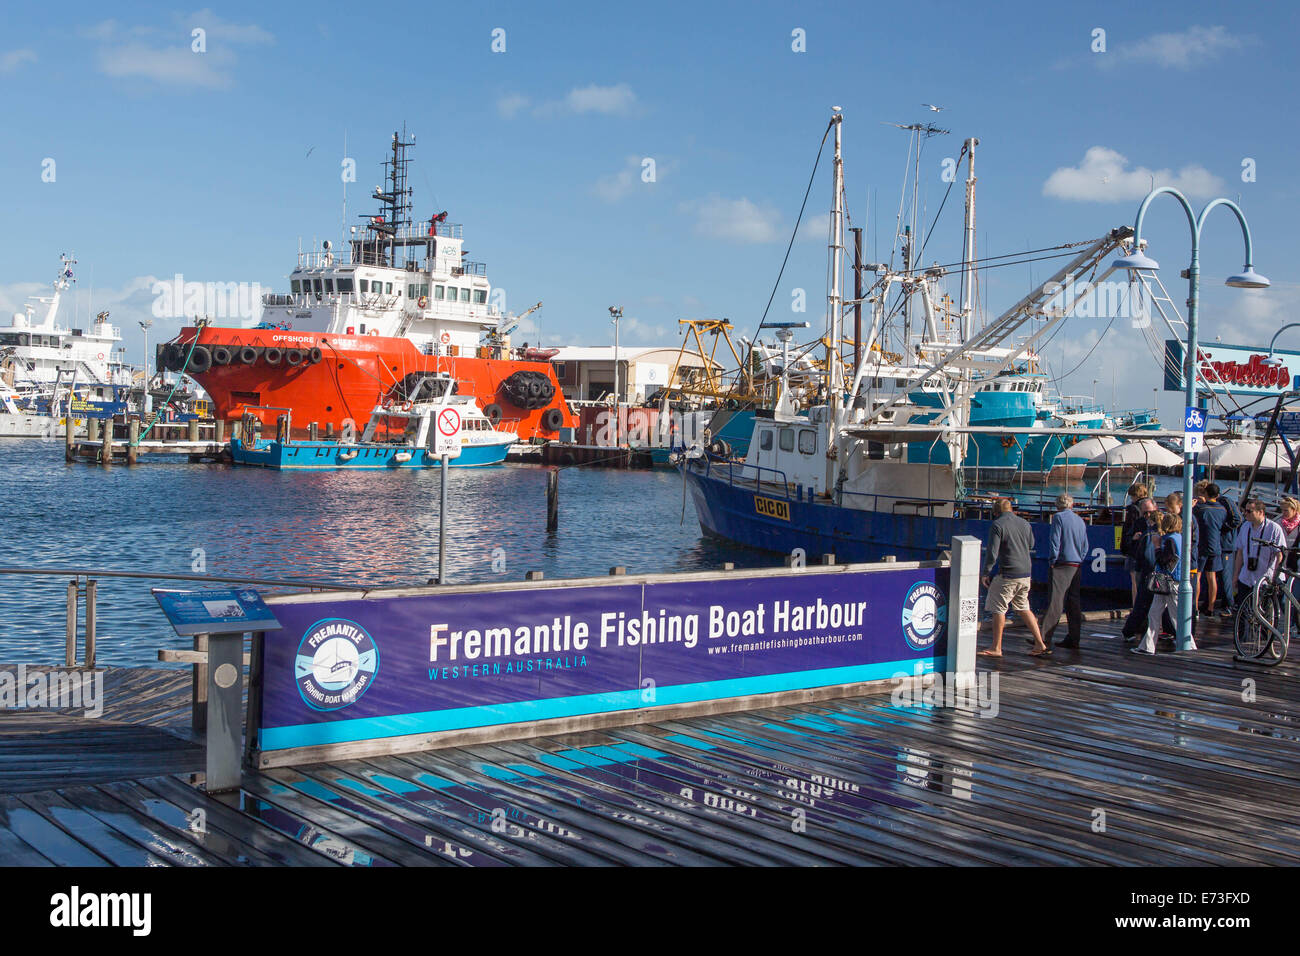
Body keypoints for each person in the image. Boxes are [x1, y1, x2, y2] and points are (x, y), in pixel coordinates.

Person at [978, 498, 1047, 657]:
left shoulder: (997, 525)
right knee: (1023, 607)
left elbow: (992, 553)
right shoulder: (1025, 523)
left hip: (1008, 573)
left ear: (996, 512)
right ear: (1011, 509)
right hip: (1026, 573)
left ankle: (996, 648)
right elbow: (1031, 545)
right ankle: (1040, 643)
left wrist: (986, 572)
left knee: (998, 608)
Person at [1039, 492, 1088, 649]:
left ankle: (1044, 638)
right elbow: (1085, 545)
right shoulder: (1080, 520)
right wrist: (1079, 558)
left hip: (1062, 564)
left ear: (1057, 506)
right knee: (1073, 602)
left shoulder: (1058, 518)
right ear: (1072, 505)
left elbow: (1055, 541)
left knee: (1055, 601)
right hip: (1077, 564)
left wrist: (1053, 560)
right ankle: (1074, 637)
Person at [1134, 512, 1188, 654]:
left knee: (1175, 616)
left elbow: (1165, 560)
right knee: (1155, 613)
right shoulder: (1180, 538)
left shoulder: (1169, 540)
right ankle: (1147, 646)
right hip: (1169, 582)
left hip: (1169, 582)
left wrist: (1157, 547)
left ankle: (1189, 645)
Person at [1231, 497, 1287, 610]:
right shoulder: (1245, 526)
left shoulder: (1274, 528)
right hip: (1246, 577)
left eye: (1249, 511)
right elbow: (1240, 552)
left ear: (1260, 512)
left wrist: (1275, 578)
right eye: (1244, 510)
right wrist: (1235, 576)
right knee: (1242, 612)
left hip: (1265, 579)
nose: (1245, 514)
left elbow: (1279, 555)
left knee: (1263, 614)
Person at [1122, 497, 1162, 641]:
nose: (1148, 516)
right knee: (1143, 600)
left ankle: (1150, 630)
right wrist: (1133, 538)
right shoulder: (1139, 524)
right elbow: (1126, 544)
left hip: (1155, 568)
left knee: (1151, 602)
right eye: (1144, 513)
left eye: (1150, 512)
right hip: (1145, 568)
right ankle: (1135, 629)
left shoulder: (1160, 526)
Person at [1194, 482, 1227, 615]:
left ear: (1206, 494)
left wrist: (1198, 503)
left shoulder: (1200, 509)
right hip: (1216, 546)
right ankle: (1211, 608)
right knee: (1212, 577)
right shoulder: (1222, 509)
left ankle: (1195, 607)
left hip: (1202, 545)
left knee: (1196, 576)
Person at [1121, 483, 1152, 606]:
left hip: (1134, 549)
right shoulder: (1151, 505)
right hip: (1146, 548)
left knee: (1135, 580)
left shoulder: (1134, 509)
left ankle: (1136, 607)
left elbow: (1131, 528)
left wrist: (1127, 543)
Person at [1219, 491, 1244, 615]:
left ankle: (1229, 604)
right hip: (1216, 545)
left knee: (1225, 577)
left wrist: (1223, 528)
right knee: (1216, 576)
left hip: (1226, 545)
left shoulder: (1225, 501)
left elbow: (1238, 519)